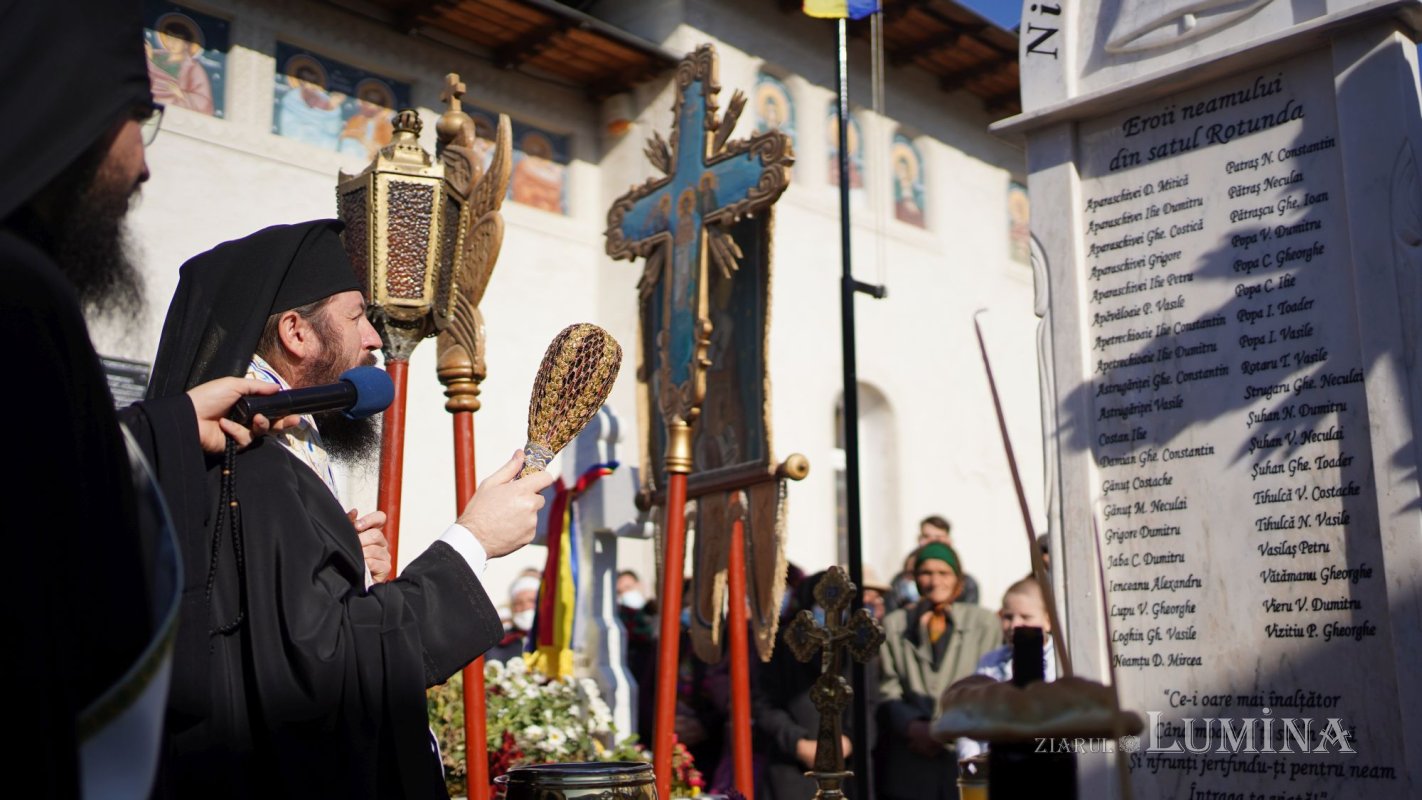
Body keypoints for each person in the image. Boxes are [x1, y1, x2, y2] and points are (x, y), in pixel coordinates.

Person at [145, 219, 558, 798]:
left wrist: (347, 574)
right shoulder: (254, 463)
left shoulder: (261, 458)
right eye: (357, 315)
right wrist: (473, 542)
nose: (374, 339)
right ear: (296, 331)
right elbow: (325, 671)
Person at [1, 3, 289, 795]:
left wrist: (157, 430)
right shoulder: (20, 296)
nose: (144, 164)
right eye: (140, 117)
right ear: (69, 107)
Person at [876, 542, 998, 800]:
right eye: (926, 573)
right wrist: (913, 727)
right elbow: (888, 687)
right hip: (913, 759)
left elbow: (989, 684)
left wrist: (945, 729)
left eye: (944, 573)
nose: (934, 581)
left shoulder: (984, 623)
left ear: (958, 579)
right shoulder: (895, 624)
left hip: (967, 756)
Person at [754, 571, 878, 800]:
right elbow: (764, 704)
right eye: (821, 602)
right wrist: (798, 743)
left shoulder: (857, 646)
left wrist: (847, 742)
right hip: (792, 770)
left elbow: (868, 705)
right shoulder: (784, 645)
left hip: (846, 767)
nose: (828, 610)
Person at [956, 576, 1060, 760]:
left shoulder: (1060, 664)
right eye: (1008, 617)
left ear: (1048, 620)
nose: (1014, 625)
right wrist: (972, 759)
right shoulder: (989, 663)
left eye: (1026, 617)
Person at [916, 515, 979, 604]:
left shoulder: (968, 584)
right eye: (926, 537)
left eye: (938, 538)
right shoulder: (902, 582)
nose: (932, 542)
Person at [488, 575, 542, 662]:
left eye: (531, 601)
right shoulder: (499, 642)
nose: (526, 607)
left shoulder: (552, 638)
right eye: (519, 603)